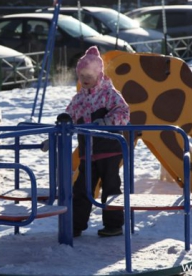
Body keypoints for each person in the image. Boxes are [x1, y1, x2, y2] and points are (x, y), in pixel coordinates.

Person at [67, 46, 130, 237]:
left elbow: (124, 112)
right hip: (87, 152)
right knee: (82, 189)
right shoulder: (79, 98)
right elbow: (68, 115)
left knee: (110, 187)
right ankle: (75, 225)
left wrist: (107, 121)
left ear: (98, 74)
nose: (85, 79)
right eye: (81, 75)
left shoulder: (109, 94)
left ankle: (114, 225)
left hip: (109, 149)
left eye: (89, 75)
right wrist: (58, 130)